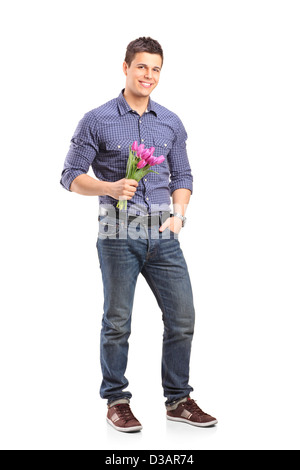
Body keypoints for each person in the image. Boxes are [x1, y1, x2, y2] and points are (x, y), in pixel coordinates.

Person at [60, 37, 217, 432]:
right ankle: (117, 400)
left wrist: (179, 215)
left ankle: (178, 399)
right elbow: (69, 177)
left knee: (182, 317)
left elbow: (182, 175)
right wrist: (109, 187)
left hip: (163, 232)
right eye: (141, 67)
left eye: (156, 69)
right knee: (118, 321)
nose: (148, 75)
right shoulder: (97, 119)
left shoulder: (170, 121)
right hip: (117, 232)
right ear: (126, 67)